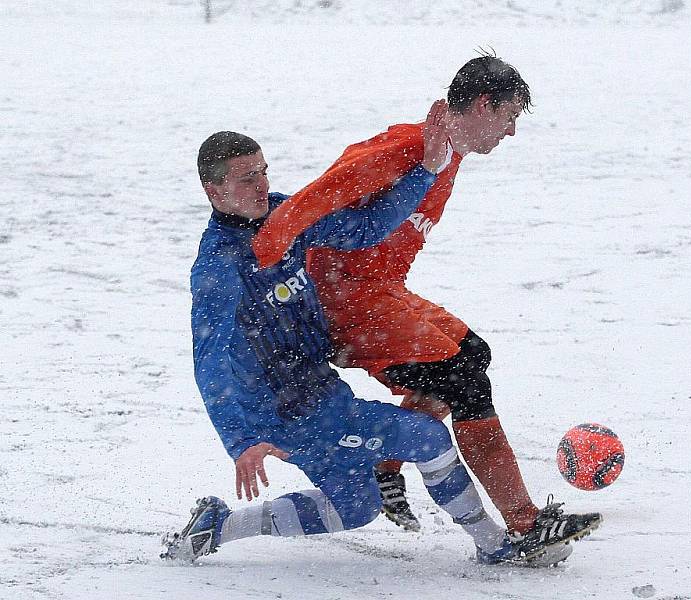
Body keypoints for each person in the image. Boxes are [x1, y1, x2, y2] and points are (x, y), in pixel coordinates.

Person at [162, 117, 588, 566]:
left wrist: (425, 172)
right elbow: (208, 362)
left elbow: (364, 228)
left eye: (264, 170)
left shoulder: (281, 217)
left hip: (324, 397)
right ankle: (494, 544)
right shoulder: (218, 269)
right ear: (213, 192)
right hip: (288, 415)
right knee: (428, 438)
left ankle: (220, 526)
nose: (261, 184)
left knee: (356, 508)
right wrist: (240, 440)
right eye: (247, 178)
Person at [250, 53, 602, 548]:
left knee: (472, 354)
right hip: (346, 306)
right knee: (465, 382)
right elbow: (311, 201)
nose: (511, 132)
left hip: (381, 294)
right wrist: (263, 264)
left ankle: (384, 468)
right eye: (510, 116)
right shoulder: (406, 148)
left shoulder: (446, 153)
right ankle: (526, 524)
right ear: (482, 106)